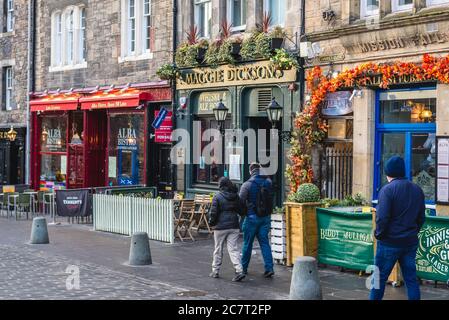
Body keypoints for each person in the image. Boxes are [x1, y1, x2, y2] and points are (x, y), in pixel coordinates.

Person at [369, 156, 426, 300]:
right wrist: (412, 232)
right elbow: (421, 218)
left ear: (387, 172)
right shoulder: (417, 189)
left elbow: (382, 218)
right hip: (409, 242)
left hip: (389, 242)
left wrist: (379, 234)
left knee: (378, 280)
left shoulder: (387, 190)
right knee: (411, 280)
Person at [239, 162, 274, 278]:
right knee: (265, 243)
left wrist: (245, 212)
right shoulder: (268, 182)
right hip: (265, 218)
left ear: (250, 171)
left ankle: (243, 269)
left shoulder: (247, 185)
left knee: (247, 244)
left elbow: (240, 202)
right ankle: (269, 268)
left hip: (252, 218)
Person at [208, 177, 246, 282]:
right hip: (234, 225)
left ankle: (215, 271)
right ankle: (239, 270)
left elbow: (213, 213)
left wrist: (211, 223)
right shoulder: (235, 196)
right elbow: (242, 210)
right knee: (233, 249)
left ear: (221, 186)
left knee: (218, 249)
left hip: (220, 227)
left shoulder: (217, 197)